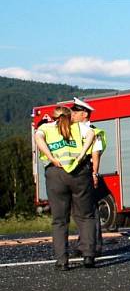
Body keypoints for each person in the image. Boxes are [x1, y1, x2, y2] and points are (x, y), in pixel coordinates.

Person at [33, 106, 96, 270]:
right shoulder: (78, 127)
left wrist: (51, 157)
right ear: (70, 115)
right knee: (85, 216)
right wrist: (82, 154)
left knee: (59, 220)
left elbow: (37, 138)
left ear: (54, 116)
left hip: (56, 174)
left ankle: (62, 261)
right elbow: (91, 134)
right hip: (79, 173)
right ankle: (88, 255)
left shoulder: (46, 127)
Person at [70, 97, 107, 255]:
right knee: (80, 211)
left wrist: (94, 173)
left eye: (76, 111)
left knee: (90, 211)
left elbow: (96, 153)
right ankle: (84, 243)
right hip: (75, 173)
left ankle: (94, 245)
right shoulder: (73, 130)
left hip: (86, 171)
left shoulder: (92, 131)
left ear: (84, 114)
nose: (72, 113)